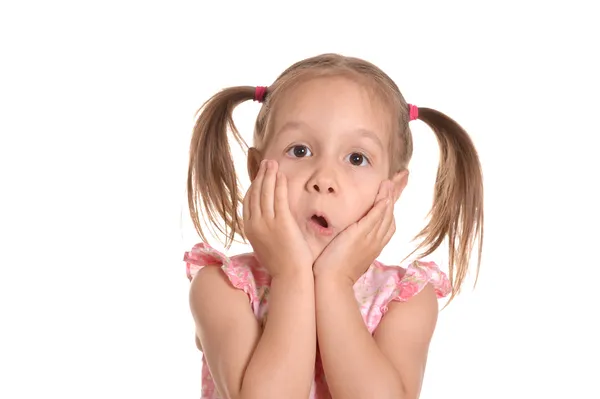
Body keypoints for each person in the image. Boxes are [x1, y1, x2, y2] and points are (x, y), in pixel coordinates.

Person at [183, 53, 484, 399]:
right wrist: (291, 274)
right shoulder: (223, 287)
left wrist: (334, 283)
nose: (324, 179)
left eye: (357, 158)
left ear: (393, 189)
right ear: (257, 170)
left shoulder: (404, 302)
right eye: (299, 151)